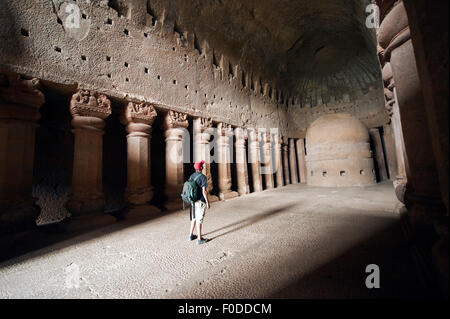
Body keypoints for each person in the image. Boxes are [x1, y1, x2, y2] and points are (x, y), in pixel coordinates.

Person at [188, 160, 210, 245]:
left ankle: (190, 235)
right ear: (201, 168)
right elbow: (204, 191)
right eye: (202, 165)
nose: (203, 166)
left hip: (192, 201)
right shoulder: (203, 177)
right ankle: (199, 239)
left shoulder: (192, 176)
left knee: (194, 218)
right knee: (199, 219)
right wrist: (207, 202)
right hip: (200, 201)